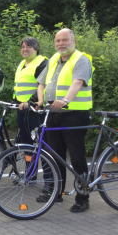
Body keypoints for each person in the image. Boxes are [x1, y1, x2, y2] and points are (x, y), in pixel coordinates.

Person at [36, 28, 94, 212]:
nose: (61, 43)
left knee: (77, 157)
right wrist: (39, 101)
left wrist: (66, 100)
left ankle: (83, 197)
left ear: (73, 41)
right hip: (54, 114)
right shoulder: (53, 59)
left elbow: (77, 82)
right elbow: (42, 83)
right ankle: (56, 193)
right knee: (55, 156)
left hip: (75, 115)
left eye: (65, 40)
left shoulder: (81, 59)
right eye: (58, 40)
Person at [14, 37, 48, 145]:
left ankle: (45, 162)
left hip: (35, 110)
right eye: (23, 47)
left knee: (41, 144)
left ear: (36, 49)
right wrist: (15, 101)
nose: (25, 49)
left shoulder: (42, 62)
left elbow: (43, 86)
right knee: (25, 144)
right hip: (22, 110)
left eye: (29, 46)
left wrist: (30, 102)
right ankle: (29, 163)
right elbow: (19, 87)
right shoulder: (22, 64)